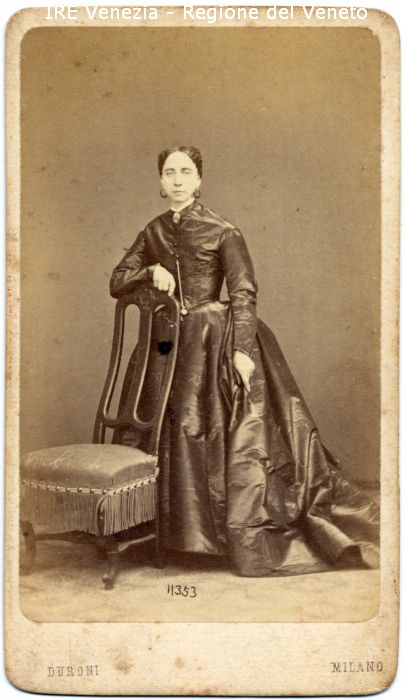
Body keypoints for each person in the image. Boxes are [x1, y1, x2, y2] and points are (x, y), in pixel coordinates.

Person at [110, 145, 379, 577]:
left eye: (185, 172)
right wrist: (149, 272)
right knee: (165, 427)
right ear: (160, 181)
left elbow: (243, 292)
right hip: (167, 346)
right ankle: (169, 533)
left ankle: (216, 537)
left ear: (199, 180)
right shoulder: (153, 231)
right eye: (169, 172)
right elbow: (117, 280)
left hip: (214, 341)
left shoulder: (223, 230)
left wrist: (240, 350)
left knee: (221, 432)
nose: (177, 180)